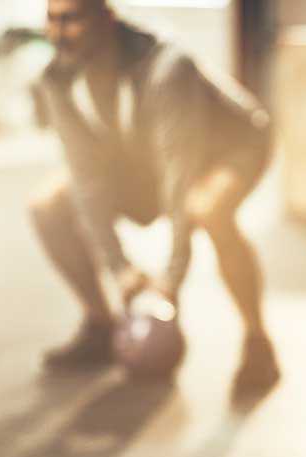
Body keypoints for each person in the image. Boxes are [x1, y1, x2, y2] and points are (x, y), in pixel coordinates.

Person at [30, 0, 278, 392]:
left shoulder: (166, 68)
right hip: (141, 154)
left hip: (231, 146)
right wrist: (121, 270)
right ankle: (101, 326)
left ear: (105, 19)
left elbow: (178, 174)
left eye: (72, 19)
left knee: (207, 208)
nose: (59, 32)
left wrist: (170, 283)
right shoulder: (55, 78)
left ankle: (258, 343)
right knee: (47, 204)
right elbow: (86, 178)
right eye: (52, 19)